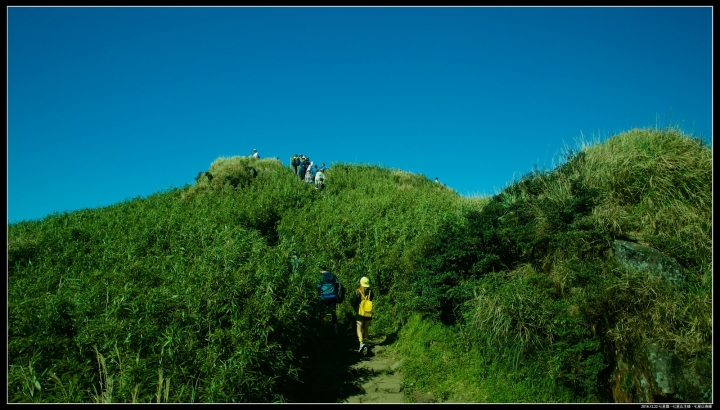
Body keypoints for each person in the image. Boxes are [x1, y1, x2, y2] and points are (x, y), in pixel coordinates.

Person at [351, 277, 374, 353]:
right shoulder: (371, 292)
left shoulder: (357, 292)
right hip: (368, 313)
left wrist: (356, 310)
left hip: (360, 313)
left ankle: (361, 343)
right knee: (366, 328)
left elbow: (353, 302)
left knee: (359, 328)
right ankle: (366, 342)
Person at [316, 269, 340, 335]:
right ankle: (336, 330)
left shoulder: (321, 277)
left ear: (320, 270)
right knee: (333, 313)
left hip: (324, 297)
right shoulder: (333, 275)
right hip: (333, 296)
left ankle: (321, 328)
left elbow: (318, 286)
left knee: (320, 312)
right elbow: (337, 285)